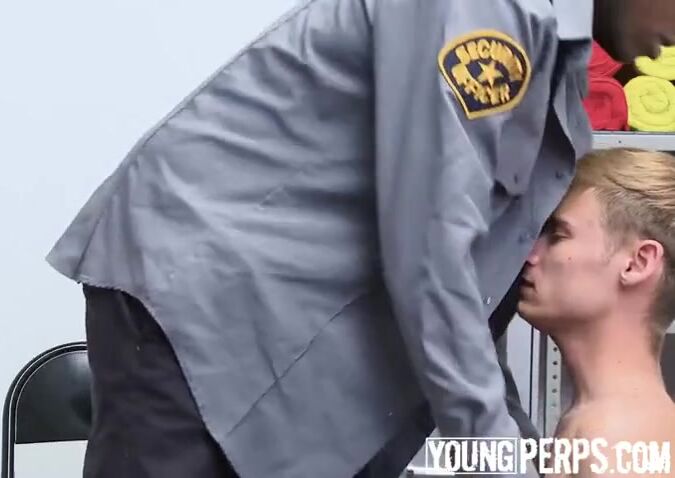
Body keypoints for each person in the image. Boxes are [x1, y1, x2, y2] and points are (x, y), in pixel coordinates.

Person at [45, 0, 675, 476]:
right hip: (210, 303)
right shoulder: (484, 10)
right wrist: (498, 453)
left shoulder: (553, 59)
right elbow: (431, 253)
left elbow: (471, 285)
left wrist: (505, 447)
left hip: (303, 337)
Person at [518, 148, 675, 477]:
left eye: (558, 235)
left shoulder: (613, 443)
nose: (529, 255)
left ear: (637, 263)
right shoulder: (610, 425)